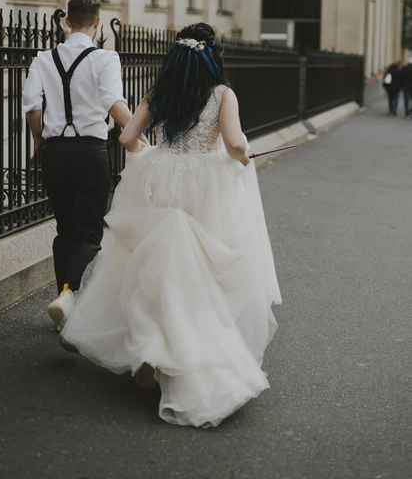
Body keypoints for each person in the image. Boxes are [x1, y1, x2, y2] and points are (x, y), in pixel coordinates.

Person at [61, 22, 281, 428]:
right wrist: (244, 155)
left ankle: (149, 348)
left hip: (162, 178)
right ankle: (177, 355)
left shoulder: (159, 93)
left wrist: (151, 152)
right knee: (200, 274)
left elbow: (127, 136)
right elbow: (233, 143)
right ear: (213, 55)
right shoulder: (222, 94)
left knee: (154, 266)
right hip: (205, 188)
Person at [23, 0, 132, 330]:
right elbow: (113, 103)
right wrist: (137, 131)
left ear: (67, 21)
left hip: (55, 151)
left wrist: (40, 140)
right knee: (91, 231)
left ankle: (64, 306)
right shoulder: (105, 59)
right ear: (97, 23)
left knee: (65, 229)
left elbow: (32, 109)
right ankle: (68, 295)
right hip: (90, 151)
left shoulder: (43, 59)